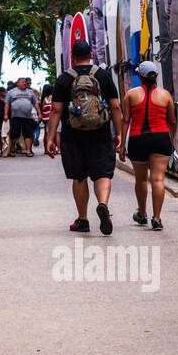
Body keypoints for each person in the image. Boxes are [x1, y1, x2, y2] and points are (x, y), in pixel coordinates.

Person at [46, 39, 122, 234]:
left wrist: (51, 137)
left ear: (72, 56)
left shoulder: (65, 79)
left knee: (79, 176)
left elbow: (55, 110)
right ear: (91, 55)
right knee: (103, 174)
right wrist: (119, 132)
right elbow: (115, 106)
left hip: (73, 136)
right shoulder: (103, 75)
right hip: (101, 133)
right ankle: (103, 204)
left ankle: (83, 220)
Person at [120, 60, 176, 229]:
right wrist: (171, 141)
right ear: (156, 76)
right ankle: (157, 218)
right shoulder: (165, 95)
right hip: (161, 138)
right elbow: (172, 121)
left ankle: (142, 214)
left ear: (140, 76)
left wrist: (122, 145)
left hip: (138, 139)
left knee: (141, 180)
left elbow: (125, 120)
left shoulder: (130, 95)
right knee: (158, 179)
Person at [5, 76, 39, 158]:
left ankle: (28, 151)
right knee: (14, 134)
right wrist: (5, 114)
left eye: (25, 82)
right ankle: (12, 150)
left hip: (27, 117)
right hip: (15, 117)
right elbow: (7, 104)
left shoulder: (30, 92)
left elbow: (36, 103)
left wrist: (39, 113)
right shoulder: (11, 92)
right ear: (18, 83)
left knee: (28, 133)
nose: (25, 83)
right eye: (23, 82)